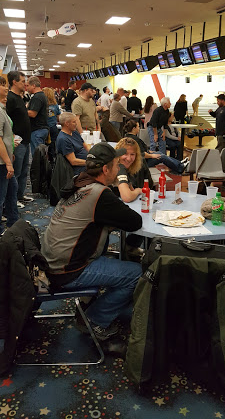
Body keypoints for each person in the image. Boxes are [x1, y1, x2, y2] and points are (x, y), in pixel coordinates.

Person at [41, 143, 142, 340]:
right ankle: (95, 320)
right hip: (68, 270)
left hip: (52, 261)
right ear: (106, 170)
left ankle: (93, 305)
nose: (118, 168)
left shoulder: (79, 181)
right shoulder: (99, 194)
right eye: (116, 165)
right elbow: (134, 222)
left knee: (117, 263)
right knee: (136, 275)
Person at [6, 71, 33, 208]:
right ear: (14, 82)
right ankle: (13, 199)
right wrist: (12, 139)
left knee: (23, 171)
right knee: (16, 172)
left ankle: (20, 195)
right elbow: (6, 122)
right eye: (23, 81)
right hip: (17, 143)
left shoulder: (20, 98)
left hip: (26, 140)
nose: (25, 84)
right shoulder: (10, 99)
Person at [125, 120, 189, 174]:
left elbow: (142, 150)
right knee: (161, 156)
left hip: (144, 158)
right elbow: (141, 154)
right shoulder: (134, 140)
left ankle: (179, 164)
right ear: (134, 129)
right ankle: (180, 167)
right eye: (138, 127)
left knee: (160, 153)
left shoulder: (129, 137)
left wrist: (150, 152)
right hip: (143, 162)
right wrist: (152, 155)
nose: (139, 128)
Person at [0, 77, 19, 235]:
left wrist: (10, 152)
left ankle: (13, 221)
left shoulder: (2, 109)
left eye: (5, 84)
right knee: (1, 197)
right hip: (1, 162)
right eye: (2, 85)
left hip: (5, 157)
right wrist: (7, 162)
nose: (6, 88)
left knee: (12, 189)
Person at [27, 76, 49, 156]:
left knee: (37, 157)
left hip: (37, 130)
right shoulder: (42, 95)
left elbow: (33, 114)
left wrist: (21, 111)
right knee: (41, 155)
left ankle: (38, 169)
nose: (27, 88)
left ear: (33, 85)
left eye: (27, 86)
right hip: (41, 129)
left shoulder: (37, 97)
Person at [43, 87, 61, 158]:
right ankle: (53, 160)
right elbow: (58, 117)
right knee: (53, 145)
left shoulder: (42, 105)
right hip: (53, 127)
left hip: (44, 128)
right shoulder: (55, 105)